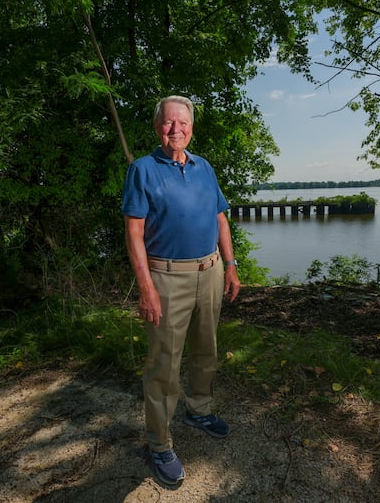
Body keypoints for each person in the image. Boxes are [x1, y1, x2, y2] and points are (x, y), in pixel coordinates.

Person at [121, 95, 241, 486]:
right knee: (164, 365)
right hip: (166, 277)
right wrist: (146, 287)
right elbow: (134, 233)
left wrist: (231, 265)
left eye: (183, 123)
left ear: (192, 127)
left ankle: (200, 409)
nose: (176, 129)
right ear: (158, 128)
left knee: (206, 349)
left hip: (210, 271)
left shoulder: (205, 167)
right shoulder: (142, 170)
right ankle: (159, 444)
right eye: (168, 123)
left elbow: (220, 218)